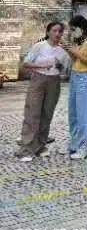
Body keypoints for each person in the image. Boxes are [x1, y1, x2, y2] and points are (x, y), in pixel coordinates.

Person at [15, 22, 70, 161]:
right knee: (32, 113)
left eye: (60, 31)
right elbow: (26, 64)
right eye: (54, 31)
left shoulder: (63, 50)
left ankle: (40, 146)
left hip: (54, 81)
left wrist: (59, 65)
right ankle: (26, 149)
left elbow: (64, 70)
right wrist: (41, 65)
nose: (57, 34)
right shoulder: (39, 46)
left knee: (47, 114)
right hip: (38, 79)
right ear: (48, 32)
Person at [63, 15, 87, 160]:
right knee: (73, 114)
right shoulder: (79, 43)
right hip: (75, 76)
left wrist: (74, 50)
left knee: (83, 114)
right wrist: (69, 50)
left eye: (73, 29)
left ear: (81, 28)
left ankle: (85, 147)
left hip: (86, 78)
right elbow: (76, 60)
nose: (72, 32)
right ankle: (74, 144)